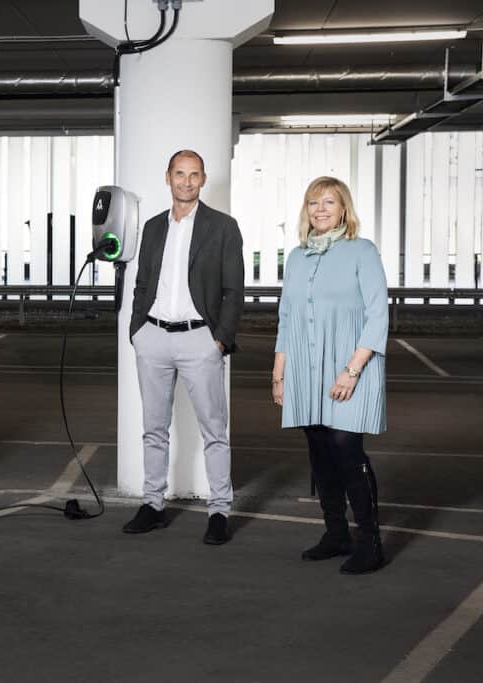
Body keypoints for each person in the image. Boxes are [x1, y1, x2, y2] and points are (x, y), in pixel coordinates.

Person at [122, 149, 245, 545]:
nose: (187, 181)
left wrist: (219, 340)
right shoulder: (154, 227)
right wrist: (137, 330)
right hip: (153, 337)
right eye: (180, 173)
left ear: (203, 180)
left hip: (200, 339)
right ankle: (152, 505)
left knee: (215, 430)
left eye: (194, 175)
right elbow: (142, 283)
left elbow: (234, 291)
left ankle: (219, 512)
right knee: (153, 429)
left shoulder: (223, 227)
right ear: (168, 177)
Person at [273, 176, 388, 574]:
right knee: (320, 451)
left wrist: (352, 370)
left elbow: (377, 315)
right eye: (313, 203)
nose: (320, 209)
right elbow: (287, 316)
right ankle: (336, 533)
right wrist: (279, 371)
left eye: (329, 202)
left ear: (344, 209)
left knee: (346, 448)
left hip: (349, 366)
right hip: (306, 368)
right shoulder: (297, 257)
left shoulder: (362, 251)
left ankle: (370, 542)